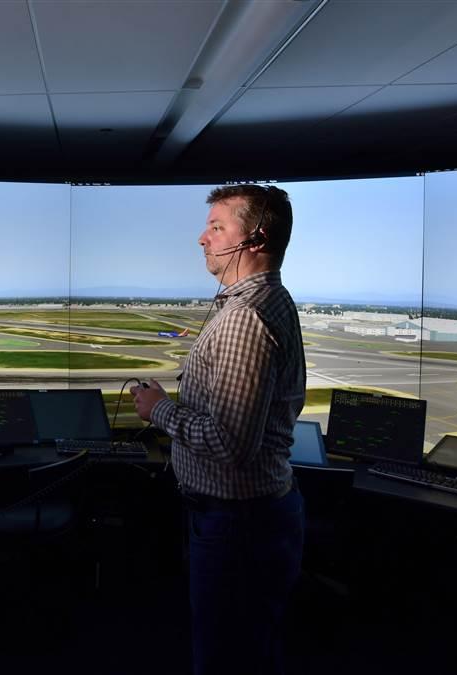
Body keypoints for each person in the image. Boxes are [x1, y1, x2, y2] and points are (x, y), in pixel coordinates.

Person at [130, 184, 305, 675]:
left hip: (236, 525)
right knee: (251, 647)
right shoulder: (272, 301)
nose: (201, 239)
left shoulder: (243, 320)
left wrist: (158, 409)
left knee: (226, 655)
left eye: (216, 226)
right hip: (252, 519)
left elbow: (231, 443)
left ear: (255, 238)